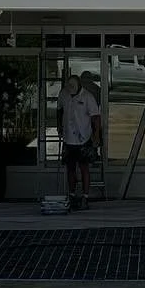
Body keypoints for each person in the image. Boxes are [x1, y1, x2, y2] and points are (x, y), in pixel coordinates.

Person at [57, 72, 102, 209]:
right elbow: (59, 110)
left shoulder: (87, 96)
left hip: (84, 137)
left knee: (84, 168)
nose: (70, 89)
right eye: (68, 86)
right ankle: (71, 195)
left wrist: (96, 134)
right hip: (68, 137)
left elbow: (95, 117)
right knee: (70, 168)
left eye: (73, 87)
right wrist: (59, 126)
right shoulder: (63, 94)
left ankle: (85, 197)